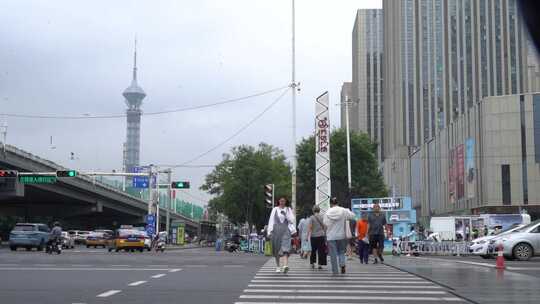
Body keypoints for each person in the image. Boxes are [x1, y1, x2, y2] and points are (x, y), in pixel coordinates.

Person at [324, 197, 355, 275]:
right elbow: (352, 216)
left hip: (331, 236)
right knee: (341, 251)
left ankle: (335, 271)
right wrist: (347, 211)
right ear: (338, 202)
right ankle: (342, 265)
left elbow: (325, 224)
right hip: (341, 235)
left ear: (330, 203)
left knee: (333, 254)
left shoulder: (327, 212)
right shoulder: (343, 210)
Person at [267, 197, 296, 273]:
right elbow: (271, 221)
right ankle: (278, 266)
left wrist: (285, 214)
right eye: (281, 201)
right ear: (278, 201)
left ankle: (285, 266)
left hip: (286, 230)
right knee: (277, 249)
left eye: (283, 201)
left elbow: (292, 220)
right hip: (276, 231)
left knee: (285, 249)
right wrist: (269, 232)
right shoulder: (275, 209)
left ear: (286, 201)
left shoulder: (288, 209)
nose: (282, 202)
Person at [308, 205, 327, 269]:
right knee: (321, 250)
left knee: (313, 250)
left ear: (313, 210)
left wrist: (307, 235)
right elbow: (325, 226)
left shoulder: (311, 217)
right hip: (321, 235)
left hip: (313, 236)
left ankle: (312, 263)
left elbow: (310, 227)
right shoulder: (322, 217)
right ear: (319, 210)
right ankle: (320, 264)